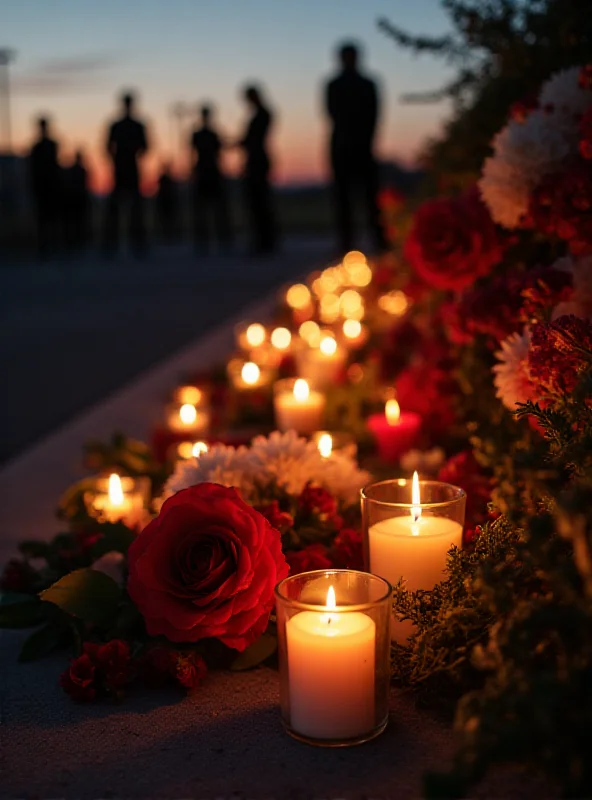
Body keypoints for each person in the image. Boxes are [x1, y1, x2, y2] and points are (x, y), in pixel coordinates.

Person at [325, 42, 386, 254]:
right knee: (343, 201)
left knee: (370, 199)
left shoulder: (367, 84)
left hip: (361, 148)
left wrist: (365, 140)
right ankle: (346, 244)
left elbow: (374, 115)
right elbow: (331, 113)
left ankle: (379, 242)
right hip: (343, 149)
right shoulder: (334, 85)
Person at [103, 91, 148, 256]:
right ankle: (113, 245)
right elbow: (107, 147)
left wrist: (128, 154)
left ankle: (136, 245)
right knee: (117, 209)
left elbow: (145, 147)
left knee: (135, 209)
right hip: (122, 169)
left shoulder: (134, 125)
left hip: (129, 169)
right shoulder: (119, 125)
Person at [238, 85, 277, 255]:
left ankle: (265, 240)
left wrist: (240, 143)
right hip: (257, 161)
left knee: (259, 202)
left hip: (257, 162)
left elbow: (252, 139)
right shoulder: (262, 113)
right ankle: (265, 239)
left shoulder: (262, 114)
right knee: (260, 202)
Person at [190, 104, 232, 253]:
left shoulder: (204, 134)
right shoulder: (207, 135)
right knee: (207, 210)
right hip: (207, 173)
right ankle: (212, 241)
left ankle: (218, 241)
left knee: (215, 210)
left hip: (209, 173)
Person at [29, 117, 60, 258]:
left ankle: (51, 245)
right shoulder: (38, 147)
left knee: (50, 217)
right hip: (43, 186)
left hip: (50, 186)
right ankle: (45, 246)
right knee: (44, 218)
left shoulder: (50, 145)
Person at [62, 150, 90, 251]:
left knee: (75, 221)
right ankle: (76, 241)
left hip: (75, 198)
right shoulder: (81, 171)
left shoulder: (75, 171)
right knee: (77, 221)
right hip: (77, 198)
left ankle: (75, 241)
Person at [155, 162, 178, 243]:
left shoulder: (166, 179)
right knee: (165, 219)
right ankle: (166, 236)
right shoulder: (165, 179)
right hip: (165, 201)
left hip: (167, 201)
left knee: (167, 219)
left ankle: (168, 236)